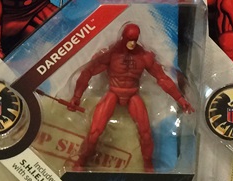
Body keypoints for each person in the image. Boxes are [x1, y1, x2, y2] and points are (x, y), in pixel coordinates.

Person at [66, 23, 192, 171]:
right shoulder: (111, 54)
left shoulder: (144, 56)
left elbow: (162, 78)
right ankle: (81, 161)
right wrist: (77, 96)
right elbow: (88, 71)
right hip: (113, 92)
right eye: (129, 39)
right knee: (95, 131)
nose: (132, 43)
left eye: (134, 40)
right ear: (124, 37)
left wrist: (180, 99)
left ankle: (148, 166)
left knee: (146, 133)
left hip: (132, 94)